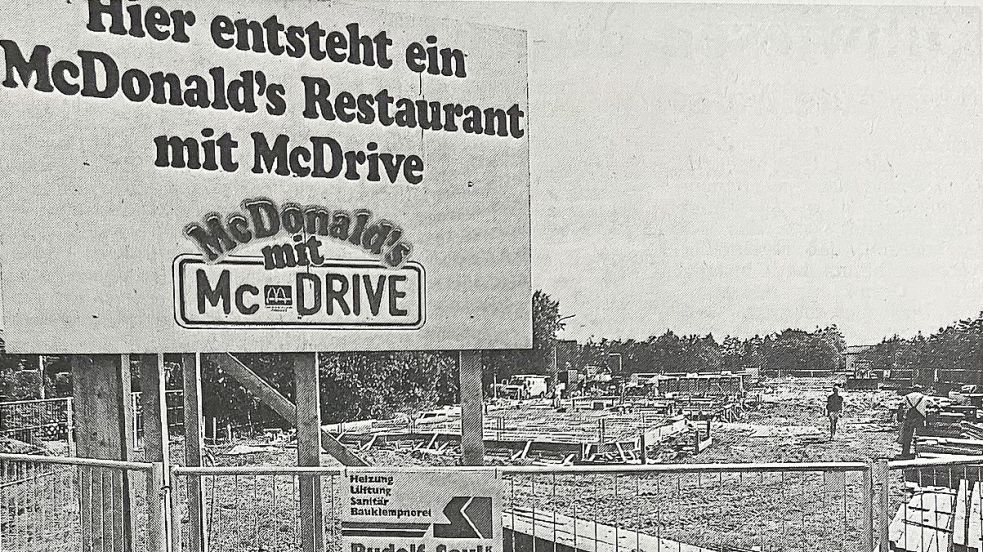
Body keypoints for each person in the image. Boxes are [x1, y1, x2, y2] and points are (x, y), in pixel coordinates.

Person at [897, 387, 929, 459]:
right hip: (919, 417)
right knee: (920, 435)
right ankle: (920, 451)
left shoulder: (907, 396)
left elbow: (901, 406)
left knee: (907, 436)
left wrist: (900, 417)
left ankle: (905, 452)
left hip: (909, 418)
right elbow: (932, 404)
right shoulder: (923, 397)